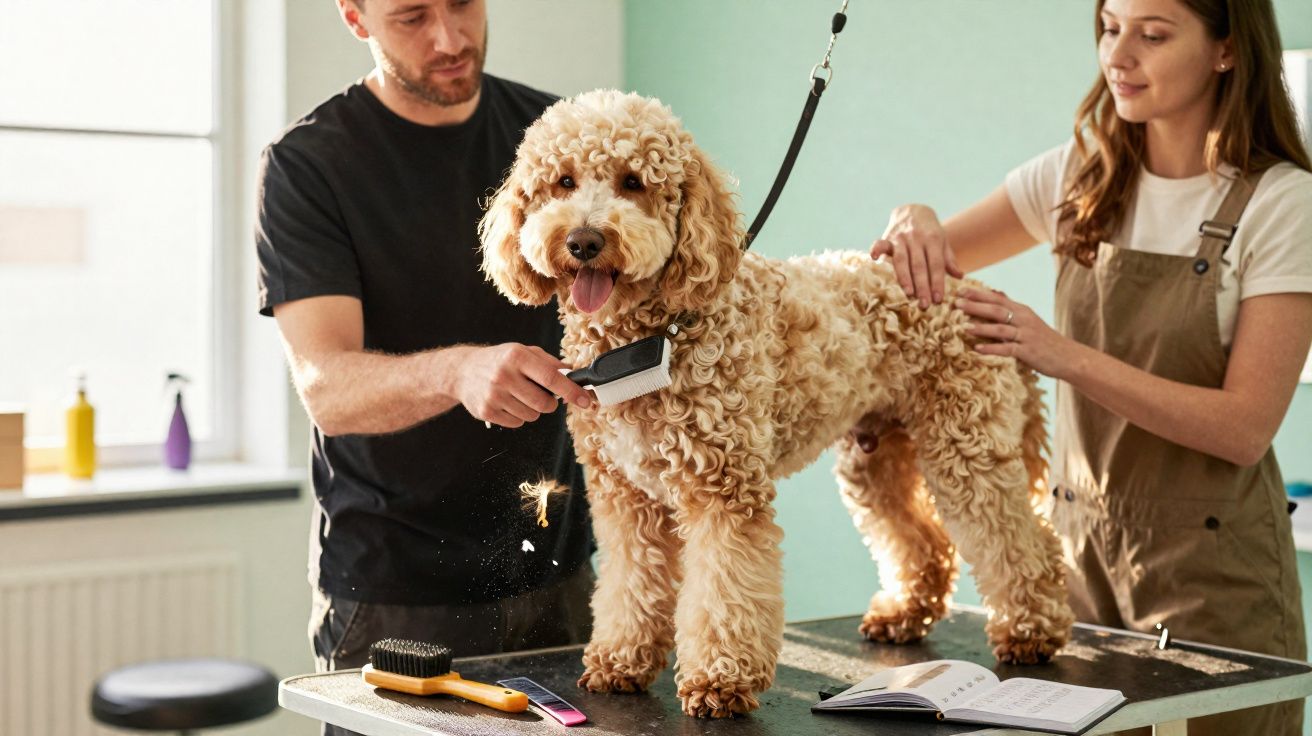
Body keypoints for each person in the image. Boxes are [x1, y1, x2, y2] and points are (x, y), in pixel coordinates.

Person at [867, 0, 1312, 733]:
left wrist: (1059, 356)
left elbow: (1245, 428)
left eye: (1153, 34)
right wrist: (913, 215)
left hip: (1216, 585)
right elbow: (924, 266)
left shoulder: (1282, 203)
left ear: (1226, 51)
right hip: (1078, 570)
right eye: (1109, 27)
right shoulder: (1080, 176)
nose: (1119, 55)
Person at [253, 2, 597, 732]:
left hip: (561, 576)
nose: (450, 39)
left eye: (463, 4)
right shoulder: (308, 165)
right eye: (412, 16)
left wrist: (908, 228)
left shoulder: (558, 138)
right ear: (355, 16)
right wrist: (456, 373)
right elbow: (328, 389)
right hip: (395, 592)